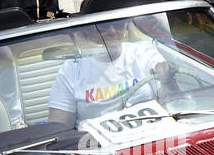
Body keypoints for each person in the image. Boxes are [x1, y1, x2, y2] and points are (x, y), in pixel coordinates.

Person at [46, 19, 174, 126]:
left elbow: (174, 103)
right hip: (101, 148)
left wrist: (167, 82)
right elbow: (59, 127)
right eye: (103, 27)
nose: (112, 31)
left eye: (118, 24)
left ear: (125, 27)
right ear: (88, 31)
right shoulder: (71, 69)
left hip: (152, 136)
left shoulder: (144, 52)